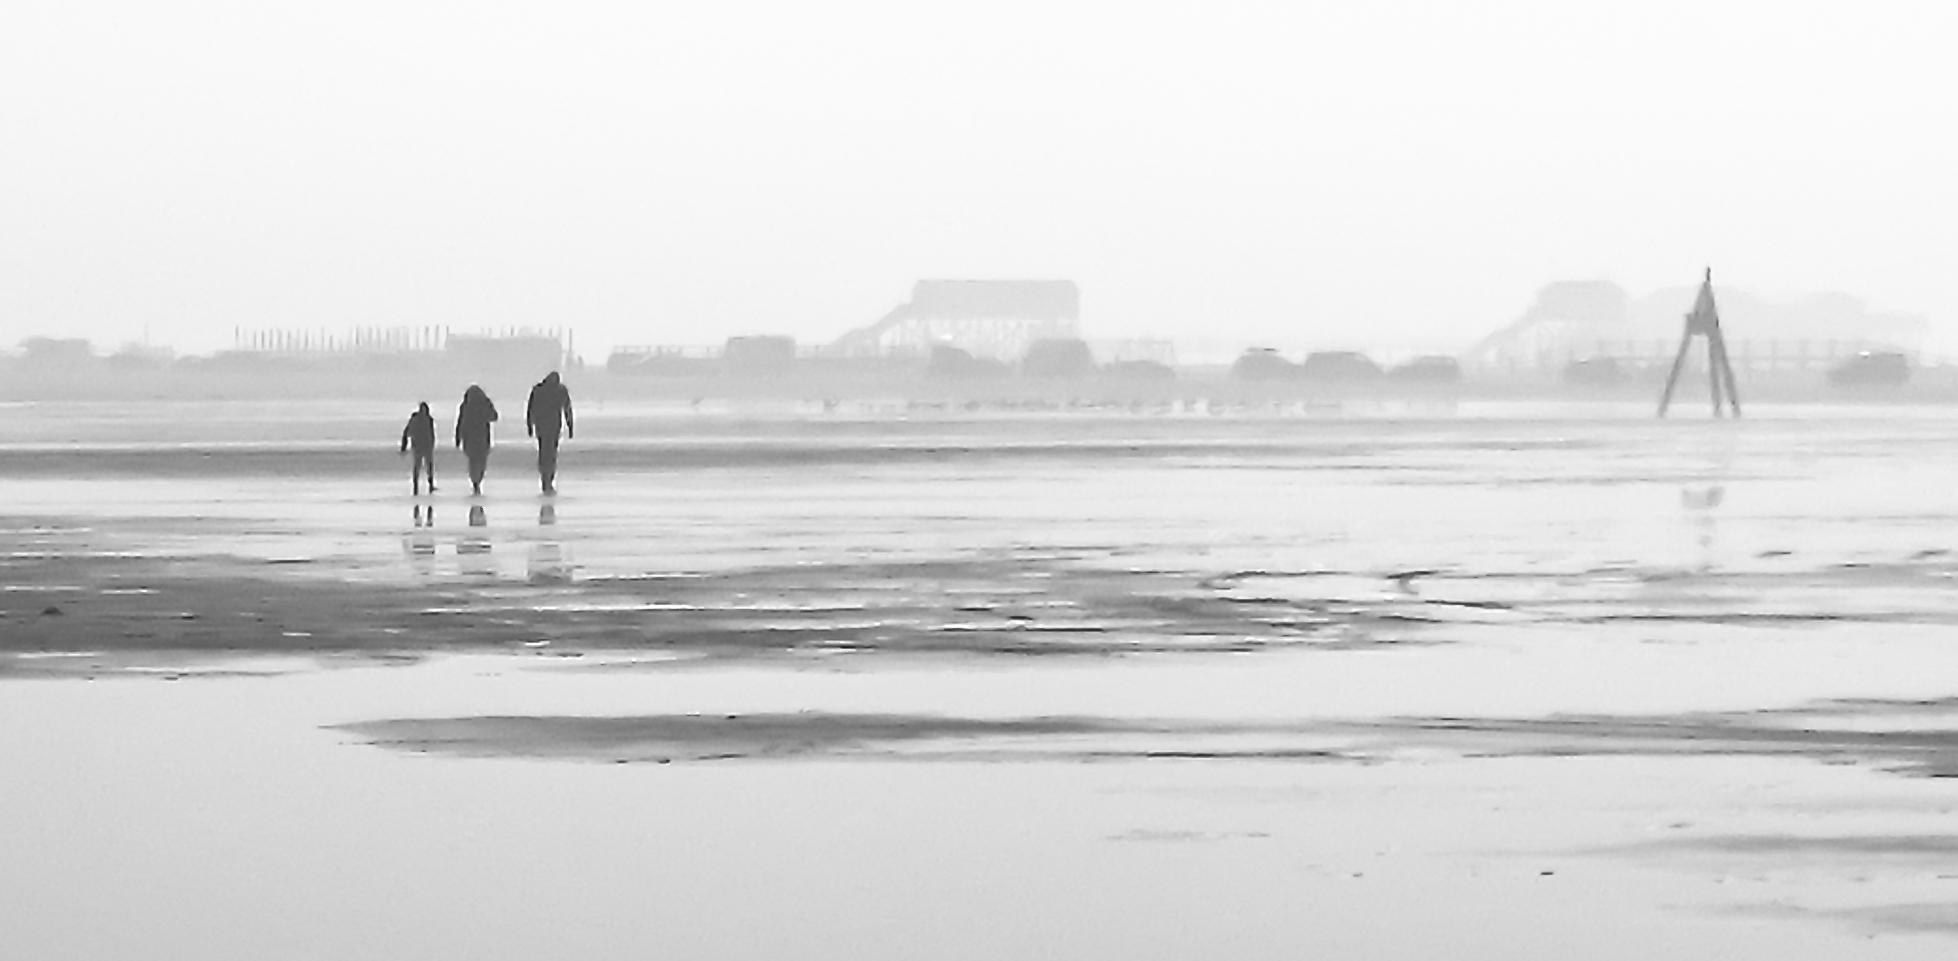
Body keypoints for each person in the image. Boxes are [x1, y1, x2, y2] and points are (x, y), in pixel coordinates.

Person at [525, 371, 575, 494]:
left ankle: (546, 478)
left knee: (545, 452)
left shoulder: (538, 390)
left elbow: (530, 409)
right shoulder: (559, 390)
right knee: (551, 453)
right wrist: (570, 425)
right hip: (552, 426)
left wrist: (530, 425)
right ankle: (548, 478)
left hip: (543, 426)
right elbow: (567, 409)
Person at [455, 384, 499, 495]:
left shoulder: (465, 406)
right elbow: (494, 416)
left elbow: (460, 422)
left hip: (470, 438)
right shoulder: (484, 403)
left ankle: (475, 481)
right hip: (482, 436)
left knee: (473, 461)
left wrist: (458, 437)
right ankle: (478, 480)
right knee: (481, 460)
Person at [398, 401, 438, 495]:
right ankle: (415, 484)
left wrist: (432, 443)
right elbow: (407, 431)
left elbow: (431, 432)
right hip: (418, 446)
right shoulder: (415, 419)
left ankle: (430, 484)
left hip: (427, 446)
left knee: (429, 466)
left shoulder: (429, 419)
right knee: (417, 466)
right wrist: (404, 444)